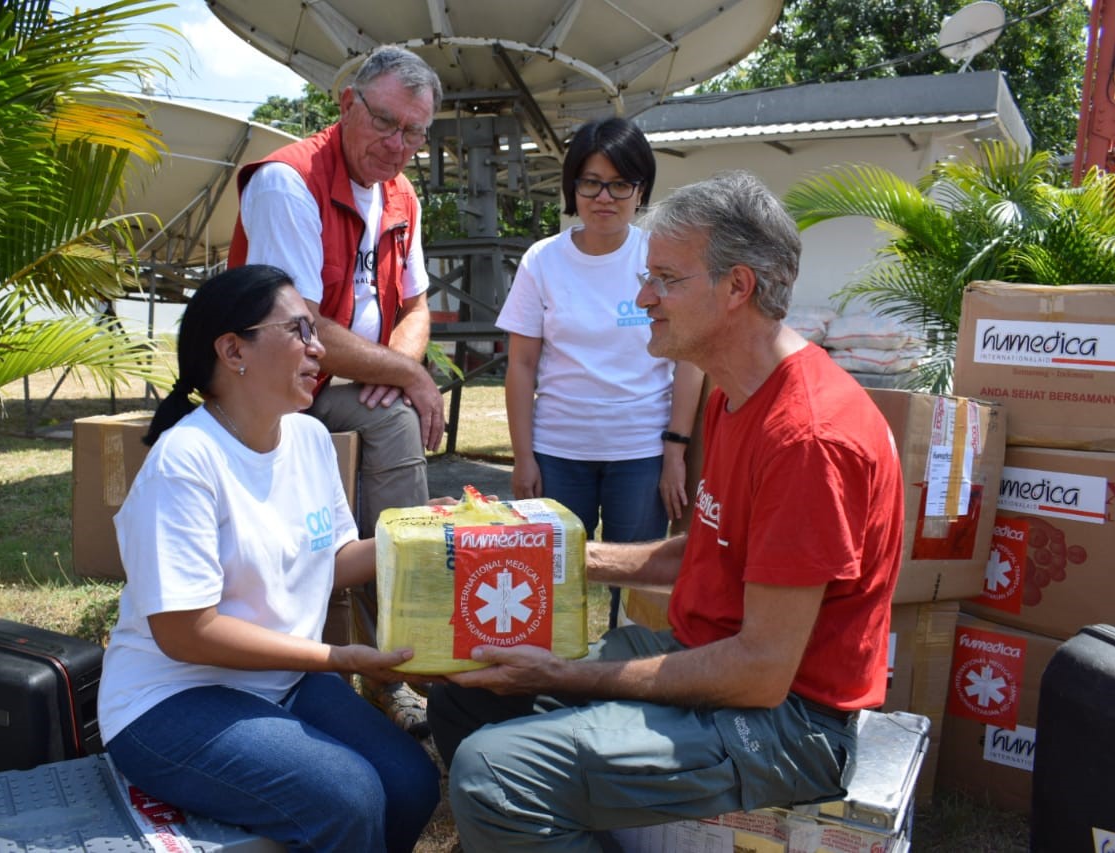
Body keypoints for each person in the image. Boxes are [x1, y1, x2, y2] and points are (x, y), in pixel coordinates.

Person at [427, 171, 905, 851]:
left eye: (665, 279)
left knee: (490, 776)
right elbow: (704, 550)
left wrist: (565, 673)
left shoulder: (808, 438)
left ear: (737, 287)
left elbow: (761, 670)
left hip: (788, 722)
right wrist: (522, 543)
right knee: (465, 695)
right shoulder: (735, 390)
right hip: (708, 658)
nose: (643, 297)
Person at [98, 265, 439, 853]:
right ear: (233, 350)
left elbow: (328, 559)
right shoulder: (187, 462)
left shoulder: (307, 439)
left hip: (281, 681)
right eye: (300, 330)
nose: (318, 347)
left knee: (411, 784)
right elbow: (186, 632)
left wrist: (420, 532)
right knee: (349, 797)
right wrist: (338, 656)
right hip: (171, 700)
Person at [228, 44, 445, 735]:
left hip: (345, 380)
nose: (399, 145)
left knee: (393, 423)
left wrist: (396, 368)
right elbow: (301, 324)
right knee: (387, 427)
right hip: (273, 385)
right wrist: (405, 373)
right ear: (346, 103)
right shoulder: (288, 182)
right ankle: (361, 656)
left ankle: (394, 658)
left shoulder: (402, 194)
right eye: (386, 123)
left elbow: (415, 306)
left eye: (415, 132)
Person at [496, 117, 704, 629]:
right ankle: (550, 684)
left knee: (638, 591)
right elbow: (521, 366)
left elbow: (689, 358)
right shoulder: (542, 260)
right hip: (558, 452)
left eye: (620, 183)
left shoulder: (660, 257)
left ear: (641, 189)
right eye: (590, 182)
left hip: (640, 453)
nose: (604, 197)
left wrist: (675, 451)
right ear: (572, 187)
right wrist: (523, 458)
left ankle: (624, 687)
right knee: (547, 582)